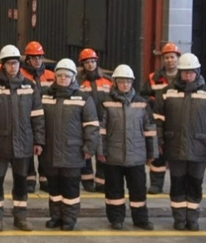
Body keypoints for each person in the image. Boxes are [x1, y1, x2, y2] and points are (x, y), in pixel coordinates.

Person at [154, 52, 206, 232]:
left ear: (197, 72)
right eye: (185, 72)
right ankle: (179, 219)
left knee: (195, 184)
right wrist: (159, 142)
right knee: (177, 184)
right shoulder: (166, 93)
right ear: (180, 72)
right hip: (174, 147)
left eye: (191, 72)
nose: (188, 75)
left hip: (200, 149)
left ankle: (192, 219)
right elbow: (157, 121)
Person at [0, 44, 44, 232]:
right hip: (0, 144)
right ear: (3, 64)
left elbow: (37, 116)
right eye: (9, 63)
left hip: (23, 143)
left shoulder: (30, 87)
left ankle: (21, 217)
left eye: (15, 63)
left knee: (21, 181)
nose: (13, 66)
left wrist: (38, 141)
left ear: (20, 64)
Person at [41, 59, 100, 231]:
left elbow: (92, 126)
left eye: (66, 76)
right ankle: (56, 217)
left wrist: (89, 148)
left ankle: (69, 219)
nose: (62, 78)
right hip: (50, 151)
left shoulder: (83, 98)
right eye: (59, 75)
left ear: (73, 77)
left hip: (73, 152)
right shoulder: (45, 96)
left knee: (70, 188)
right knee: (54, 188)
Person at [96, 64, 156, 230]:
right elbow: (100, 130)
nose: (125, 85)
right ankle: (116, 219)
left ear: (132, 83)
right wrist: (100, 151)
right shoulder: (105, 103)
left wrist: (152, 152)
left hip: (136, 156)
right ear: (115, 82)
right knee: (114, 191)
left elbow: (150, 130)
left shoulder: (142, 104)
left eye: (128, 81)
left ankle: (141, 219)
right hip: (113, 156)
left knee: (138, 190)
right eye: (121, 81)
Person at [140, 42, 181, 194]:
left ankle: (178, 185)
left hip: (177, 121)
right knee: (158, 152)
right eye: (167, 57)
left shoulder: (184, 78)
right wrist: (152, 104)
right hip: (158, 121)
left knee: (177, 154)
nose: (170, 60)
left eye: (172, 57)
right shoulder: (153, 78)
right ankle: (156, 185)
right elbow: (144, 97)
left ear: (178, 58)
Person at [20, 41, 54, 193]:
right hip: (27, 118)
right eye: (34, 58)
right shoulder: (21, 75)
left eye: (40, 57)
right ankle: (30, 178)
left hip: (46, 118)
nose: (37, 61)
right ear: (28, 59)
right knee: (28, 147)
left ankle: (45, 178)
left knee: (44, 148)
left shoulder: (51, 76)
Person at [76, 48, 112, 193]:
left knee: (102, 152)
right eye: (87, 62)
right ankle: (87, 181)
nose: (90, 64)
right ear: (82, 64)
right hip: (84, 123)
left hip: (103, 122)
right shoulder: (78, 82)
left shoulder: (107, 81)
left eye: (92, 61)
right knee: (86, 151)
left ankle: (101, 182)